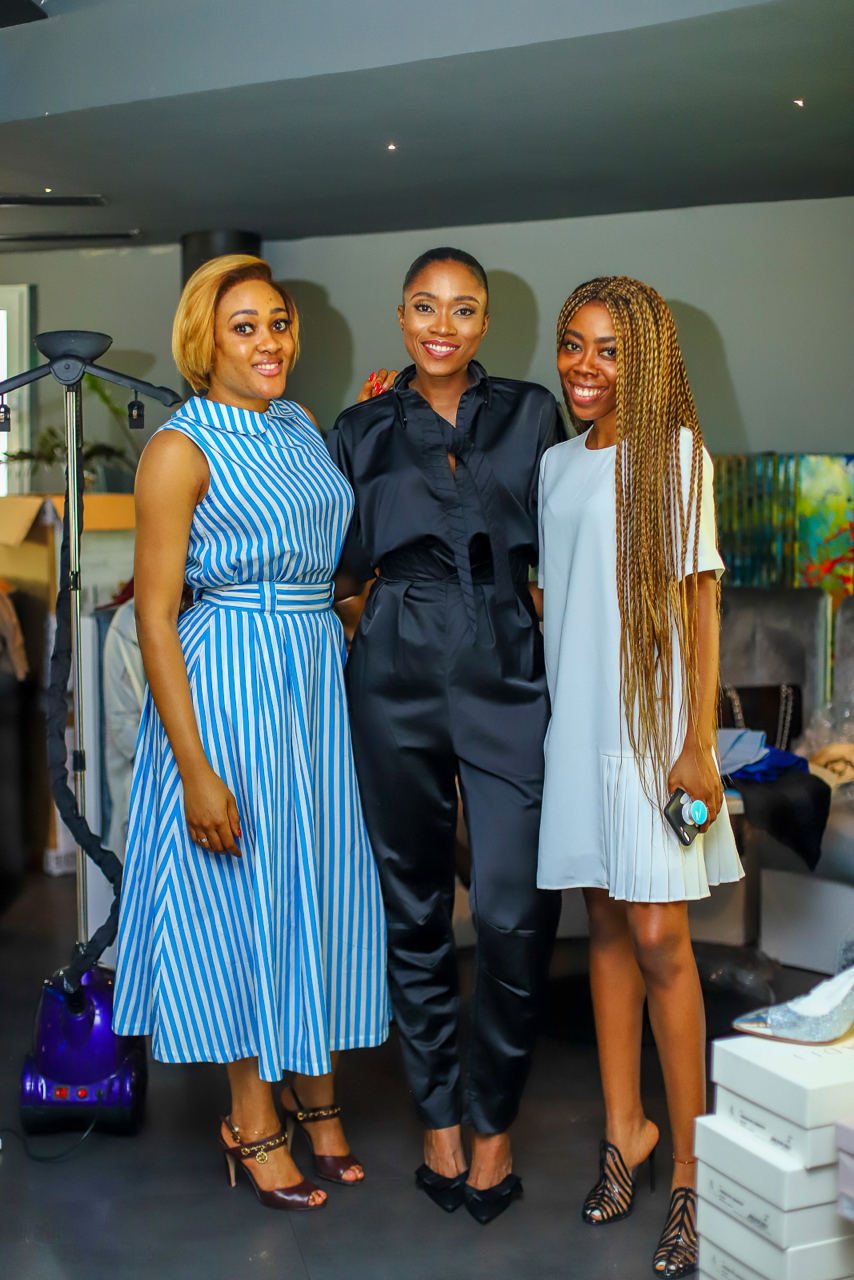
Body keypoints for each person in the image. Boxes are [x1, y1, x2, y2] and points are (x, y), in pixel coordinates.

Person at [113, 255, 389, 1212]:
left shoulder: (301, 423)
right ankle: (251, 1119)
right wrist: (195, 769)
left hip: (311, 683)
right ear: (205, 341)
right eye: (245, 327)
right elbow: (155, 618)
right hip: (229, 686)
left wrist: (346, 616)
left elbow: (322, 560)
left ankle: (319, 1102)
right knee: (243, 902)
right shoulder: (178, 449)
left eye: (278, 322)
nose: (270, 342)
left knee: (313, 890)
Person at [327, 247, 562, 1224]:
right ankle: (438, 1117)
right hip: (395, 673)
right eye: (425, 306)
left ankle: (493, 1119)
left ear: (484, 324)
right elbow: (339, 569)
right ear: (401, 316)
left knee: (513, 906)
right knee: (413, 904)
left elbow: (565, 540)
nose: (442, 325)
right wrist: (374, 627)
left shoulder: (531, 413)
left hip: (507, 668)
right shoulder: (358, 428)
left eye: (463, 309)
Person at [538, 276, 743, 1276]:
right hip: (576, 725)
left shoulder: (677, 457)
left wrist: (695, 743)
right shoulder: (554, 465)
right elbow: (559, 599)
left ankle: (693, 1174)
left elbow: (701, 607)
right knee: (608, 926)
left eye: (609, 349)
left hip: (656, 731)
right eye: (573, 343)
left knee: (661, 934)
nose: (585, 366)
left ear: (646, 360)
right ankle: (626, 1131)